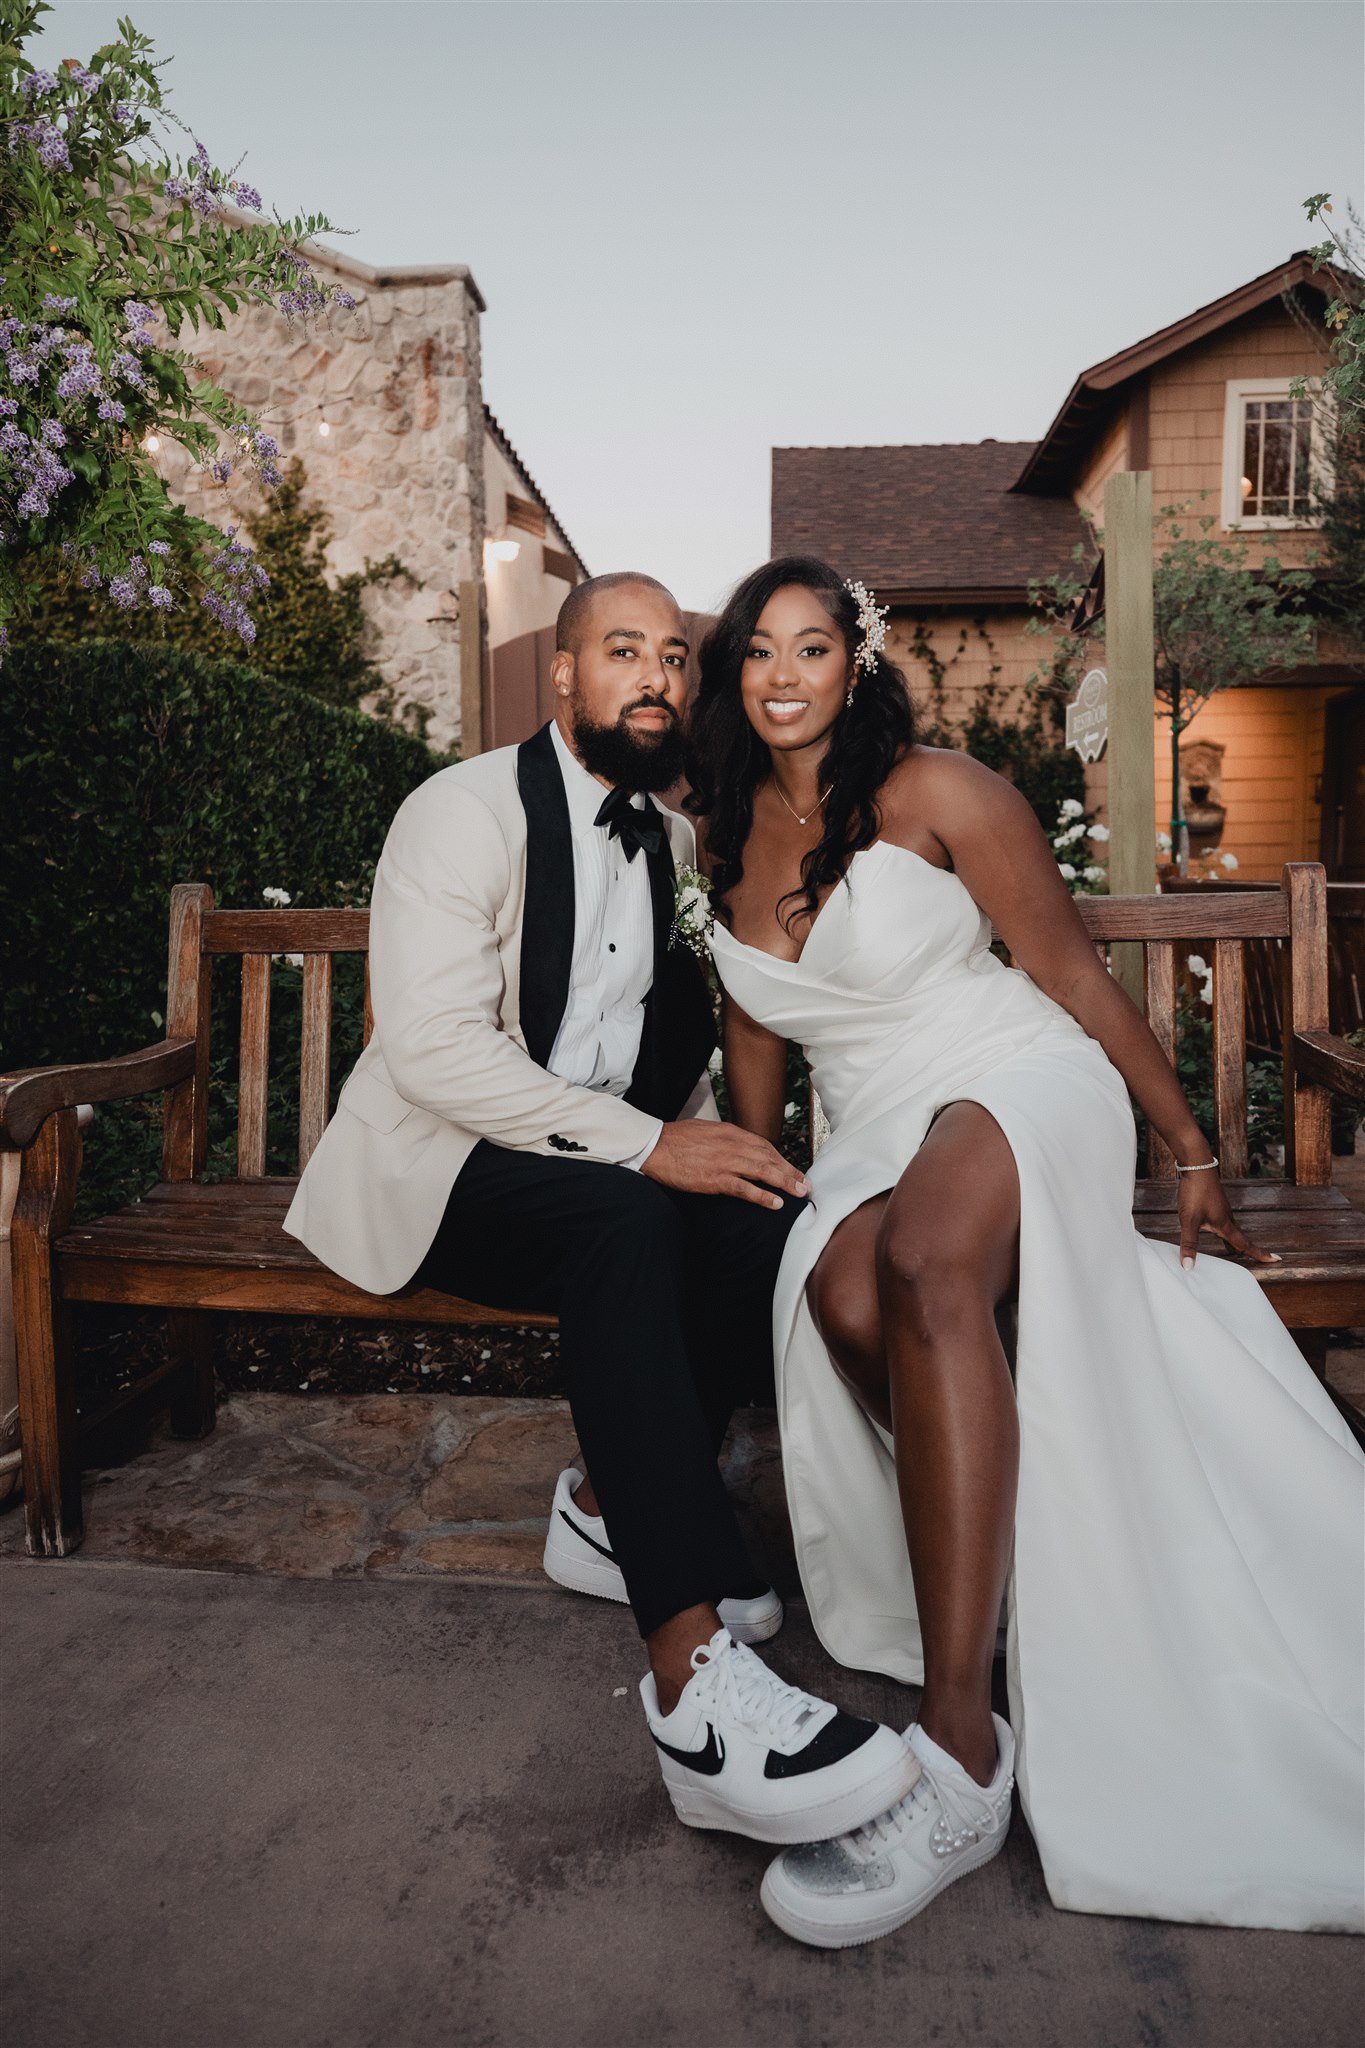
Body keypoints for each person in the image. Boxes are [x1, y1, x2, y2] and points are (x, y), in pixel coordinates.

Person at [685, 554, 1365, 1945]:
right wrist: (749, 1187)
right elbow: (757, 1035)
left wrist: (1186, 1152)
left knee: (929, 1264)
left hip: (1017, 1078)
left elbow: (1065, 971)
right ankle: (1037, 1551)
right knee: (841, 1294)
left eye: (812, 649)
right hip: (874, 1124)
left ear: (853, 664)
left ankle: (960, 1747)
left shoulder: (941, 792)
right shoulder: (721, 833)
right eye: (758, 651)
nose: (783, 677)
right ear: (731, 673)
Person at [284, 570, 918, 1847]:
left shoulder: (681, 844)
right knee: (631, 1218)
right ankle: (698, 1696)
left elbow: (674, 1039)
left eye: (676, 656)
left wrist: (722, 1144)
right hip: (444, 1162)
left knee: (765, 1229)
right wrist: (648, 1150)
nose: (657, 678)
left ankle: (608, 1503)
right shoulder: (459, 812)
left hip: (591, 1162)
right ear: (561, 674)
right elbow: (432, 1053)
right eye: (621, 651)